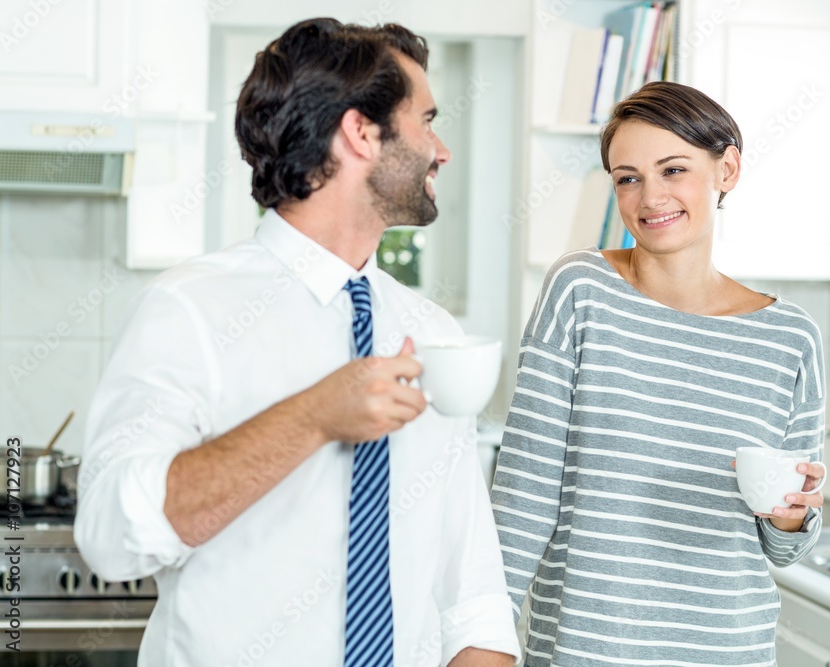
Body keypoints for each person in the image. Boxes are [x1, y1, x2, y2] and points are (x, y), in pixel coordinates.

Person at [74, 18, 519, 667]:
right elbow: (112, 537)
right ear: (359, 131)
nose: (441, 148)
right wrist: (314, 415)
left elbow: (474, 591)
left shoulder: (434, 336)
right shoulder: (190, 308)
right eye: (426, 120)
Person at [490, 81, 826, 666]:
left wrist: (794, 518)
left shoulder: (791, 338)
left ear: (728, 170)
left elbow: (784, 546)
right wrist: (484, 638)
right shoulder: (580, 289)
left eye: (673, 170)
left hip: (731, 649)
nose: (650, 197)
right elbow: (524, 494)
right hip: (587, 650)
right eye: (628, 177)